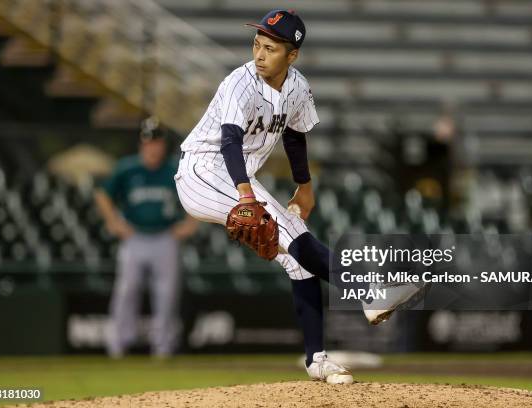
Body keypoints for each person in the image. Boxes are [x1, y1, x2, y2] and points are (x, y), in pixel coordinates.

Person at [174, 10, 421, 382]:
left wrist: (304, 186)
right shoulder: (239, 83)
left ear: (292, 56)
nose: (259, 54)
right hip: (202, 171)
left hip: (235, 176)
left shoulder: (297, 87)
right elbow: (229, 141)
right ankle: (370, 292)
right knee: (288, 232)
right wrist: (246, 196)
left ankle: (316, 360)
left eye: (270, 48)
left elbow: (293, 135)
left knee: (297, 257)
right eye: (257, 44)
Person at [95, 117, 198, 358]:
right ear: (142, 144)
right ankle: (118, 344)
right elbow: (102, 195)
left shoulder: (174, 169)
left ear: (163, 145)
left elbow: (197, 193)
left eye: (157, 142)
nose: (153, 147)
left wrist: (191, 223)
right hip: (135, 237)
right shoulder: (128, 168)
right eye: (149, 142)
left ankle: (163, 346)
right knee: (126, 289)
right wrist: (113, 221)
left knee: (166, 293)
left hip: (165, 237)